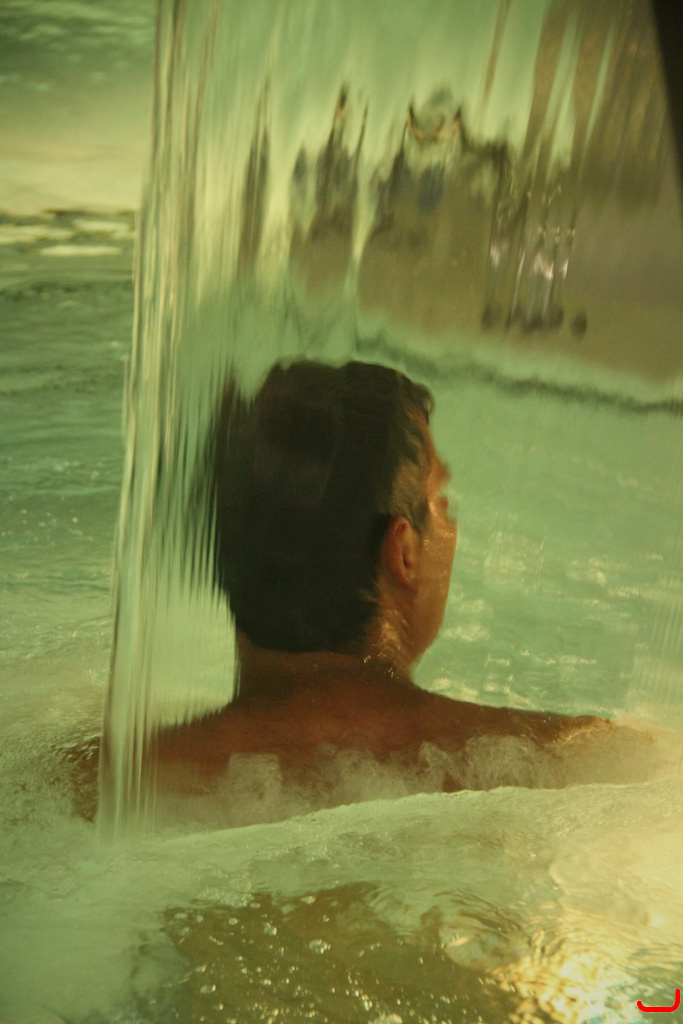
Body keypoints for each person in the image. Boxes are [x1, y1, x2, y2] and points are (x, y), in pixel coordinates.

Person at [152, 360, 600, 799]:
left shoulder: (130, 777)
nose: (452, 524)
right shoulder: (571, 765)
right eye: (442, 502)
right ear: (403, 553)